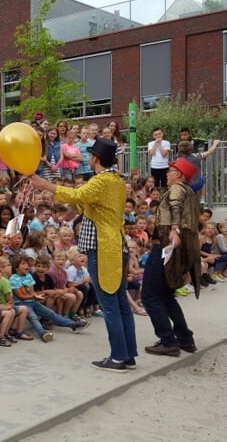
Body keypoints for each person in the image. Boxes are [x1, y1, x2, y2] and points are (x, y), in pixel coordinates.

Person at [29, 137, 137, 373]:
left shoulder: (101, 181)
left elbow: (76, 196)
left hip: (104, 248)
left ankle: (118, 357)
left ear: (96, 158)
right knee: (120, 304)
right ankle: (127, 354)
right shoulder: (117, 180)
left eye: (91, 154)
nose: (88, 158)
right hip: (115, 245)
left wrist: (44, 185)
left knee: (110, 305)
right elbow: (83, 201)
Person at [140, 157, 202, 357]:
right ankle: (185, 338)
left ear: (180, 175)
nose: (166, 174)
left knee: (150, 296)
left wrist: (174, 229)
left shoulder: (177, 189)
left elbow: (175, 207)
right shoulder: (192, 193)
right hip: (180, 250)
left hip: (167, 247)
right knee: (167, 296)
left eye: (170, 171)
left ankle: (168, 340)